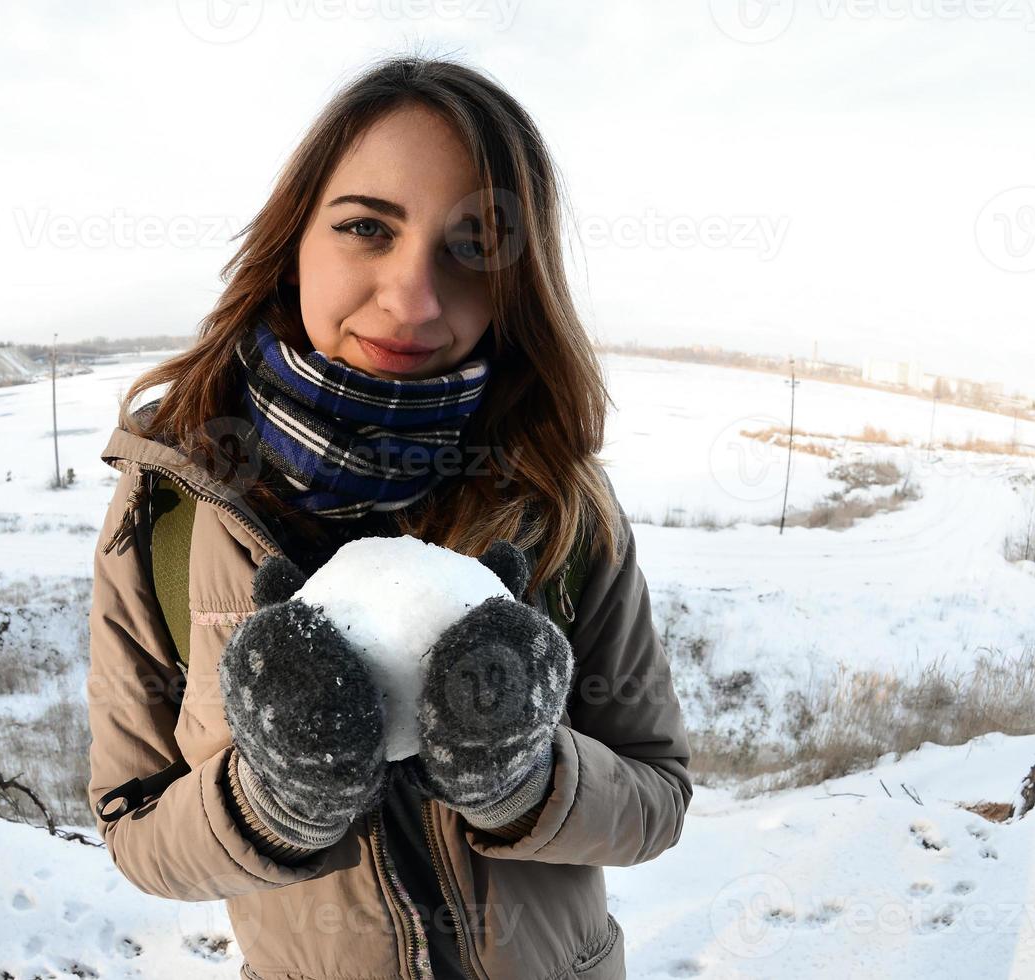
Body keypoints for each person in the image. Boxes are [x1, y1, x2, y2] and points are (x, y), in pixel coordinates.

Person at [86, 53, 691, 980]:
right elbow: (133, 823)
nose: (412, 297)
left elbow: (658, 796)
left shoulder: (560, 504)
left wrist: (525, 783)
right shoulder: (172, 514)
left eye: (474, 244)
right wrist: (270, 805)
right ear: (294, 241)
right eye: (368, 226)